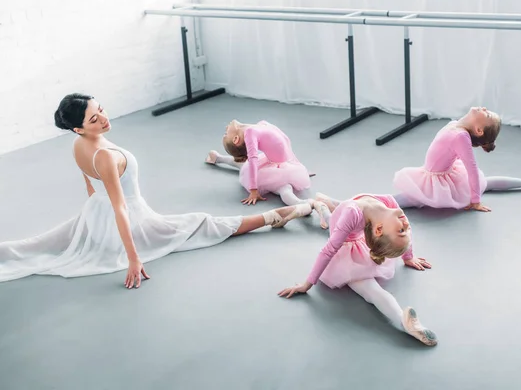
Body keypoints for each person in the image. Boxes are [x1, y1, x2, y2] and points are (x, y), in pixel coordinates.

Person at [0, 93, 311, 288]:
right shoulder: (105, 156)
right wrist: (134, 258)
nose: (104, 119)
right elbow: (121, 207)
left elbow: (89, 185)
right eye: (95, 119)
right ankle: (277, 215)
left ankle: (280, 214)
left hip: (96, 214)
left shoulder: (78, 144)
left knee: (38, 246)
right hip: (131, 221)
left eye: (101, 109)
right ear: (80, 128)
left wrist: (94, 219)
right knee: (201, 223)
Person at [278, 194, 437, 346]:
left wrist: (408, 257)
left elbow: (330, 247)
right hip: (346, 243)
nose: (407, 226)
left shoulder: (379, 212)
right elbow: (329, 250)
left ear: (379, 230)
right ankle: (320, 203)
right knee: (371, 289)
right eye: (404, 231)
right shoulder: (382, 205)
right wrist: (307, 284)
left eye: (402, 231)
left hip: (353, 236)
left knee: (331, 220)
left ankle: (407, 325)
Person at [392, 107, 521, 212]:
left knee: (408, 199)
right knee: (487, 183)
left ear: (478, 129)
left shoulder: (461, 136)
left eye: (487, 113)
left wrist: (475, 200)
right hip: (436, 173)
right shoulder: (455, 124)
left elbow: (472, 169)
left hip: (438, 180)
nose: (484, 108)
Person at [205, 119, 314, 226]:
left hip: (280, 162)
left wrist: (297, 166)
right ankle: (301, 205)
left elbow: (285, 141)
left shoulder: (258, 125)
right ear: (236, 139)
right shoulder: (250, 132)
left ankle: (218, 158)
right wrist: (253, 189)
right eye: (226, 133)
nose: (226, 128)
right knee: (284, 188)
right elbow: (253, 160)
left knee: (244, 166)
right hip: (277, 167)